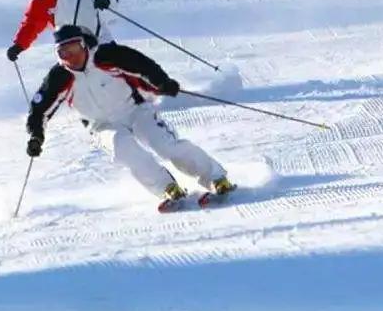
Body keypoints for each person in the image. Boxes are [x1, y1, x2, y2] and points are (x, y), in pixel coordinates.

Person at [24, 24, 236, 212]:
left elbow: (142, 65)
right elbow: (38, 110)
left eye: (75, 48)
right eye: (63, 53)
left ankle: (216, 178)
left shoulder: (107, 57)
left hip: (134, 110)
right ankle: (167, 188)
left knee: (165, 144)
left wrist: (162, 82)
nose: (71, 57)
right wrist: (36, 137)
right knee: (122, 148)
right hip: (101, 125)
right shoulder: (59, 77)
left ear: (85, 45)